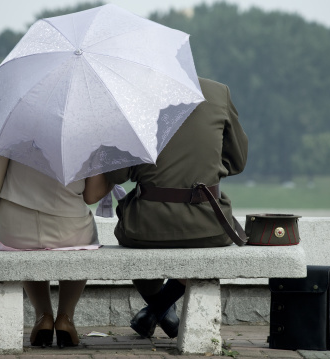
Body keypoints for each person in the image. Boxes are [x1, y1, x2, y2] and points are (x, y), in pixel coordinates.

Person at [104, 77, 248, 339]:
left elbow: (117, 174)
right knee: (192, 242)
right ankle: (161, 310)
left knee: (130, 227)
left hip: (145, 226)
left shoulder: (133, 95)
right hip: (209, 224)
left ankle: (158, 309)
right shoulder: (218, 92)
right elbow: (237, 162)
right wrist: (205, 167)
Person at [0, 160, 112, 348]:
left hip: (13, 229)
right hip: (67, 228)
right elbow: (91, 195)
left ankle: (43, 317)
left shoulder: (16, 136)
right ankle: (65, 317)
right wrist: (112, 179)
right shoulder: (86, 138)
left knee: (27, 249)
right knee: (82, 244)